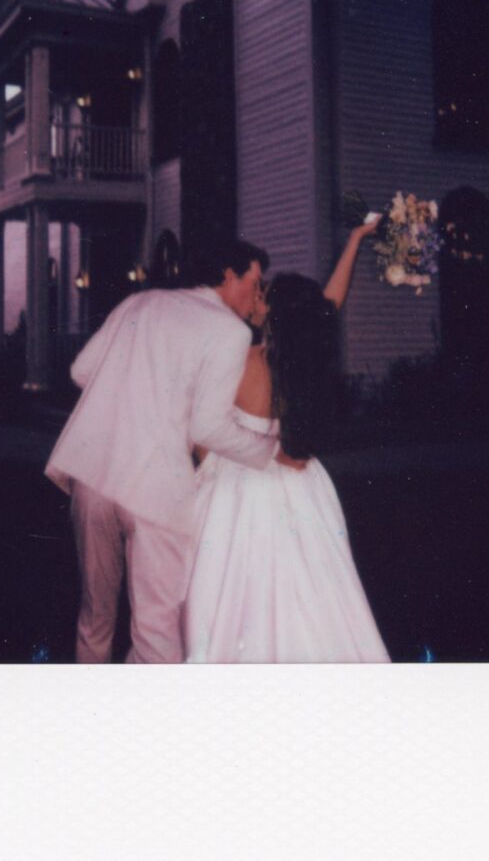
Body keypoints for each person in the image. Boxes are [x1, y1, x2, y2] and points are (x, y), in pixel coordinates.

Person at [45, 238, 301, 664]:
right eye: (255, 282)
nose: (258, 294)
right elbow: (208, 425)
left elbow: (80, 370)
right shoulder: (231, 331)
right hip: (154, 488)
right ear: (228, 275)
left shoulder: (140, 303)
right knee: (157, 632)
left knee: (94, 617)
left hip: (93, 475)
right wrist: (268, 450)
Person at [184, 220, 390, 663]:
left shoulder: (242, 359)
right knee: (314, 597)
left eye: (263, 295)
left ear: (274, 314)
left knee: (235, 600)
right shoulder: (305, 356)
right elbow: (328, 305)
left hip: (240, 488)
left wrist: (201, 468)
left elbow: (203, 425)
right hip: (302, 487)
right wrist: (353, 240)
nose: (257, 298)